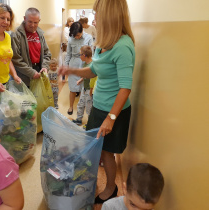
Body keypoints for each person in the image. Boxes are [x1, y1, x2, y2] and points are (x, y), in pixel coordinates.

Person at [59, 0, 135, 204]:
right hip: (100, 106)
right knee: (97, 148)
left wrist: (111, 118)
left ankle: (111, 187)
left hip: (113, 110)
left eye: (97, 14)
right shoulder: (104, 42)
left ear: (110, 16)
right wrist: (71, 70)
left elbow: (125, 88)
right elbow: (94, 70)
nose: (95, 19)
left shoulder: (123, 46)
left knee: (106, 151)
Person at [11, 7, 52, 87]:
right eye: (30, 22)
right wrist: (31, 73)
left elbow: (47, 54)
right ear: (24, 18)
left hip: (39, 72)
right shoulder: (16, 35)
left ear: (39, 21)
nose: (32, 25)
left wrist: (45, 67)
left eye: (35, 22)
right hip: (23, 77)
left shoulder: (40, 34)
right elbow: (15, 59)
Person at [64, 21, 93, 115]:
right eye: (75, 35)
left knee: (84, 89)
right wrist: (66, 67)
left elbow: (91, 54)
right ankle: (71, 106)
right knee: (72, 88)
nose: (76, 37)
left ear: (82, 30)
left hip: (85, 65)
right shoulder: (70, 39)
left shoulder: (88, 38)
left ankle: (81, 109)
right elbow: (68, 54)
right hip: (73, 64)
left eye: (78, 35)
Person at [72, 45, 95, 125]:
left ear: (84, 55)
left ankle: (89, 124)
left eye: (80, 54)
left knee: (89, 107)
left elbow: (93, 78)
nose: (79, 56)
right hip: (84, 88)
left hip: (89, 90)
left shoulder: (92, 65)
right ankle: (79, 119)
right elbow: (86, 75)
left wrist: (91, 91)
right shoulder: (85, 64)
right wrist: (80, 80)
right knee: (80, 104)